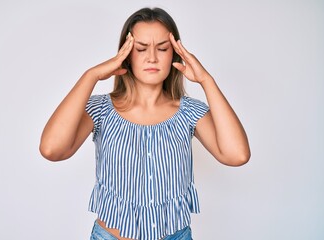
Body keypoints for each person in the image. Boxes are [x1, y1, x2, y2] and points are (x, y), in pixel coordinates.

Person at [39, 7, 250, 240]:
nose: (152, 57)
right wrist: (92, 75)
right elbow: (52, 149)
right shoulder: (101, 109)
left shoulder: (189, 112)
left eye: (162, 48)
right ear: (127, 54)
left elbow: (237, 155)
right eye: (141, 49)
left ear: (175, 54)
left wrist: (206, 80)